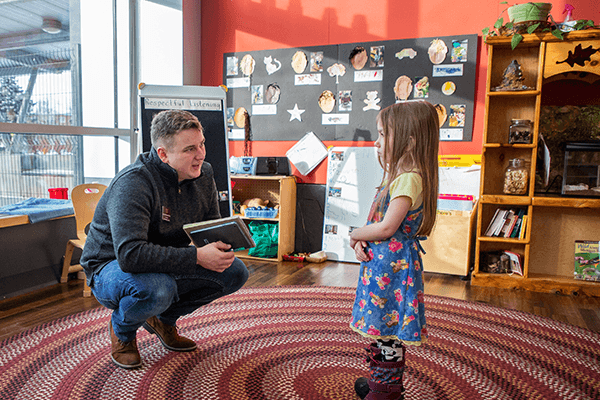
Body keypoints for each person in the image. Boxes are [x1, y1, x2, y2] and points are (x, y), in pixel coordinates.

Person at [80, 109, 249, 369]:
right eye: (190, 149)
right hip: (109, 265)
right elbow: (130, 255)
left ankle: (163, 320)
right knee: (158, 288)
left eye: (201, 144)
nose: (201, 154)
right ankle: (122, 331)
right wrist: (197, 256)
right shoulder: (133, 183)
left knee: (234, 272)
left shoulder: (203, 173)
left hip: (160, 259)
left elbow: (209, 228)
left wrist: (220, 245)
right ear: (163, 154)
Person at [348, 100, 439, 399]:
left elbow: (387, 227)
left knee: (388, 328)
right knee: (382, 325)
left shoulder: (409, 180)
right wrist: (364, 237)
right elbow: (379, 222)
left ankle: (385, 392)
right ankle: (382, 383)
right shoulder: (400, 176)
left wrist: (354, 234)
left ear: (409, 141)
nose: (377, 141)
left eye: (384, 134)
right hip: (385, 268)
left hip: (393, 271)